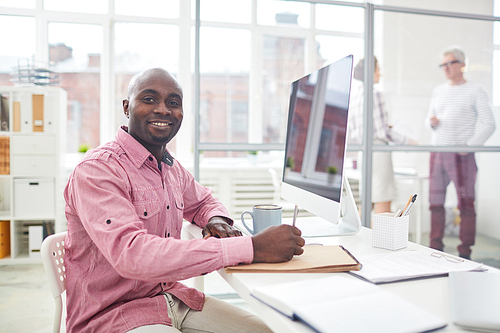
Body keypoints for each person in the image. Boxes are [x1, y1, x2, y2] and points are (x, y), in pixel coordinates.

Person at [63, 68, 305, 333]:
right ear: (126, 107)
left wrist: (215, 220)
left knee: (270, 330)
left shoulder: (169, 167)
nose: (163, 110)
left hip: (171, 300)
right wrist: (252, 248)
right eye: (149, 99)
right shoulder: (98, 170)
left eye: (173, 103)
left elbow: (203, 201)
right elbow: (132, 255)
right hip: (111, 317)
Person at [426, 46, 495, 259]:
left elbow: (489, 123)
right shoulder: (438, 90)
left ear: (462, 65)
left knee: (466, 204)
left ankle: (465, 252)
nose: (445, 68)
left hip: (462, 156)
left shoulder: (475, 91)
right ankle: (435, 248)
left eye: (450, 63)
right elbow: (429, 120)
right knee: (435, 202)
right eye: (442, 64)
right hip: (438, 153)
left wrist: (470, 146)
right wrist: (433, 124)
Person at [349, 57, 416, 214]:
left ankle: (360, 236)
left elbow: (358, 129)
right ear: (370, 72)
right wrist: (408, 141)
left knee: (368, 202)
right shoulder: (375, 95)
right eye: (378, 69)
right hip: (378, 152)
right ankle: (379, 238)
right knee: (383, 200)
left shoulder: (356, 97)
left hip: (364, 154)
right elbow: (383, 131)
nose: (380, 73)